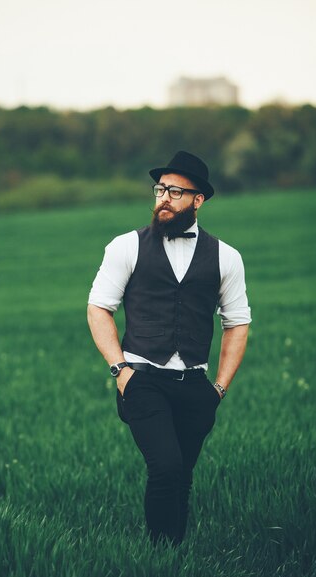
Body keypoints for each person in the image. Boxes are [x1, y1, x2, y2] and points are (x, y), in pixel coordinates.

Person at [87, 150, 251, 548]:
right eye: (160, 188)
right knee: (166, 468)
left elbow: (237, 322)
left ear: (198, 200)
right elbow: (98, 309)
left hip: (196, 386)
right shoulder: (126, 246)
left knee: (183, 476)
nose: (164, 197)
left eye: (176, 191)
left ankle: (174, 558)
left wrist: (219, 388)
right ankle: (161, 560)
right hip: (142, 380)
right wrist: (121, 372)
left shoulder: (226, 257)